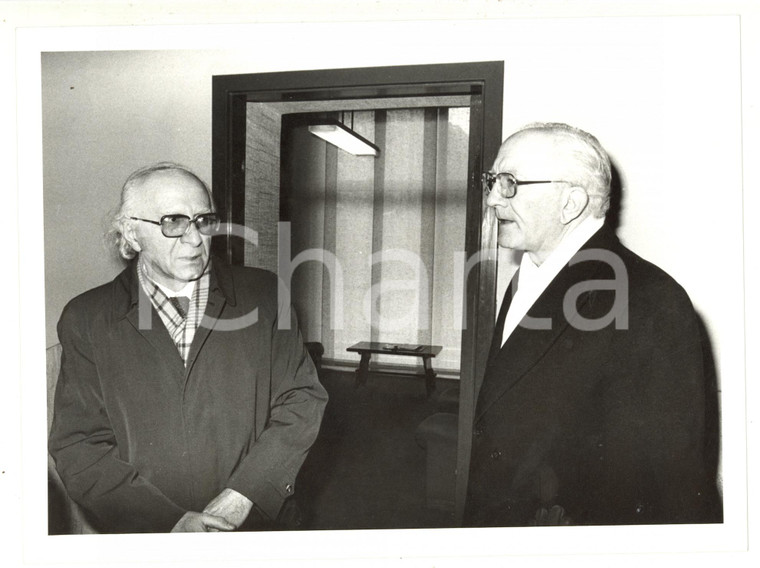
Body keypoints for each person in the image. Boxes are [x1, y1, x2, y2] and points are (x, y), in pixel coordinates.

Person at [464, 123, 722, 526]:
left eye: (510, 183)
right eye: (492, 181)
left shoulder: (652, 301)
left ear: (570, 203)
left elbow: (676, 487)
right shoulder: (528, 274)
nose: (493, 199)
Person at [49, 162, 328, 533]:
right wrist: (166, 522)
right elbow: (80, 444)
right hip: (147, 535)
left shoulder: (264, 295)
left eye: (203, 220)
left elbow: (301, 398)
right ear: (132, 235)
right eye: (173, 222)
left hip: (256, 524)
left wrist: (246, 493)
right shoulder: (87, 318)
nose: (195, 239)